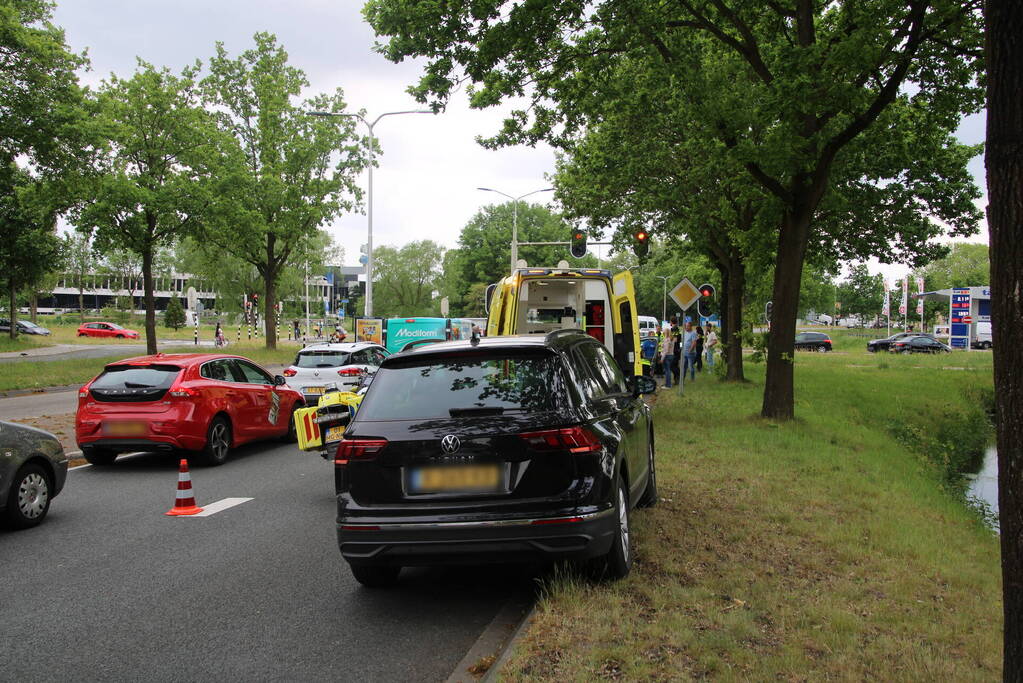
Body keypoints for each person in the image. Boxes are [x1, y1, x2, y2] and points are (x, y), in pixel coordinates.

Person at [660, 321, 677, 389]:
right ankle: (667, 384)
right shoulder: (671, 339)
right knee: (668, 370)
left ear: (666, 333)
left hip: (667, 356)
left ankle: (668, 385)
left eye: (663, 332)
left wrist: (662, 359)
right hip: (671, 355)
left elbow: (666, 350)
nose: (663, 333)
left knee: (667, 371)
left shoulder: (667, 340)